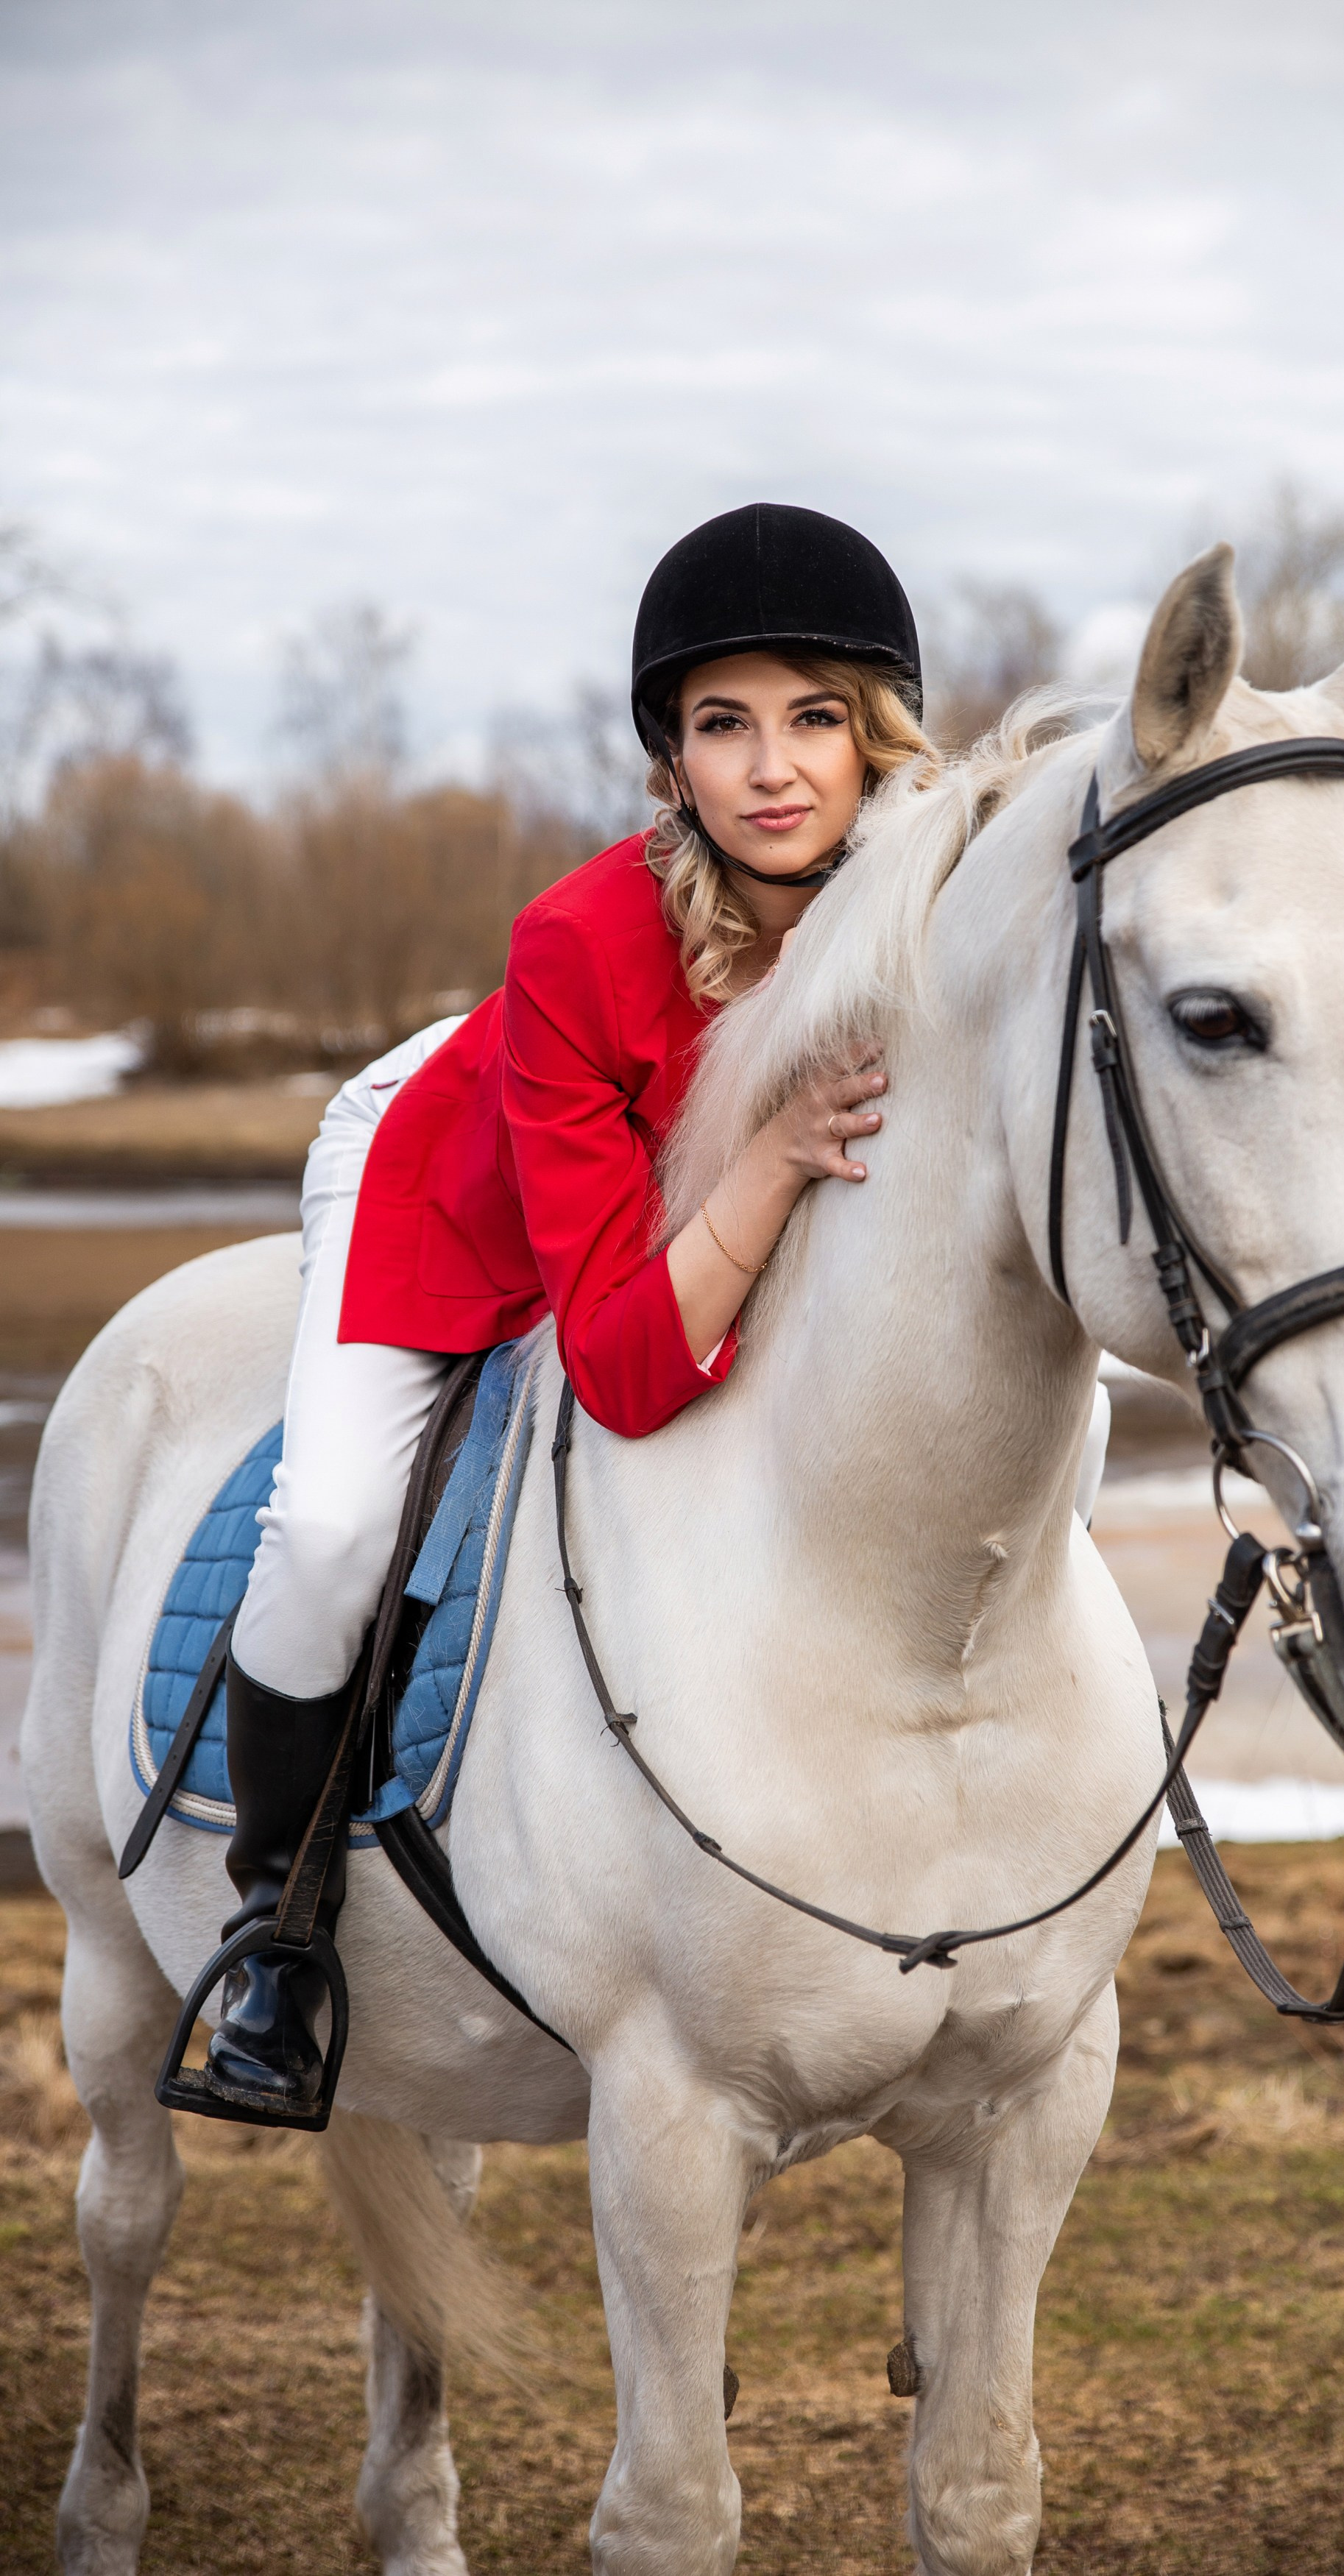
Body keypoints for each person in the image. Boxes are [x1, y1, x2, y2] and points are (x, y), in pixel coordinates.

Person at [184, 502, 941, 2123]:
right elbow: (615, 1361)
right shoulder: (578, 943)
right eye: (721, 724)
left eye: (815, 715)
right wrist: (780, 1154)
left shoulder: (925, 909)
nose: (773, 765)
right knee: (326, 1527)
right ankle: (276, 1935)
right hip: (444, 1188)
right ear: (669, 760)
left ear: (878, 738)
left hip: (662, 1199)